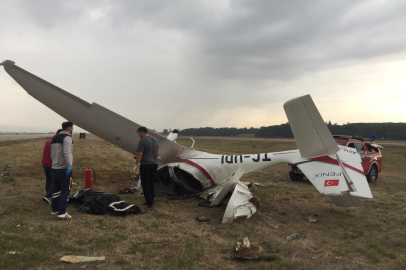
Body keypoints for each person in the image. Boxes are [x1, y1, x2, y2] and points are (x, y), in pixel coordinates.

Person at [50, 122, 74, 219]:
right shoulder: (67, 138)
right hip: (64, 168)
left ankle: (54, 209)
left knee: (56, 189)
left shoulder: (55, 138)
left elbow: (52, 153)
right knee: (66, 190)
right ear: (70, 128)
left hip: (55, 167)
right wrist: (69, 165)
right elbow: (67, 152)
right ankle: (62, 212)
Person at [134, 126, 159, 208]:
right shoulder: (154, 140)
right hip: (154, 164)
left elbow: (139, 154)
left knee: (145, 183)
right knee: (151, 183)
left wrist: (136, 164)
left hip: (146, 165)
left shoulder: (142, 141)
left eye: (139, 133)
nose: (139, 135)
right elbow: (157, 152)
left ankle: (149, 203)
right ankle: (151, 200)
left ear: (142, 132)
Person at [41, 129, 62, 204]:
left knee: (49, 179)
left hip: (44, 162)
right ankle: (49, 196)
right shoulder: (57, 141)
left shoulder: (49, 139)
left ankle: (48, 194)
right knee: (55, 180)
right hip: (51, 164)